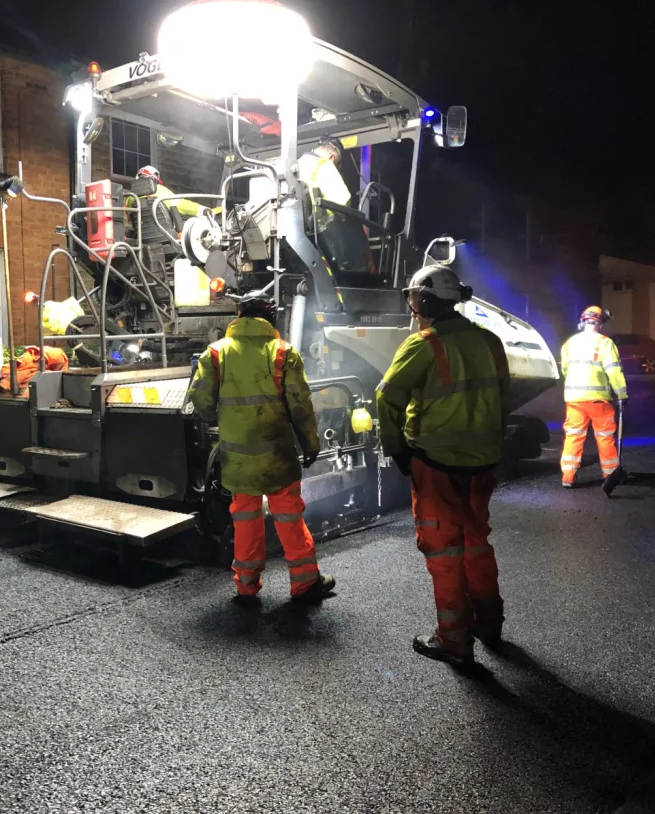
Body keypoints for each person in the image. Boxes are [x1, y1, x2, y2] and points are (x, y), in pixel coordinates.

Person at [376, 266, 510, 667]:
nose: (414, 306)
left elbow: (386, 399)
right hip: (482, 463)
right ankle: (490, 624)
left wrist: (398, 451)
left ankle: (453, 639)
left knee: (444, 551)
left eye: (415, 298)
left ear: (428, 301)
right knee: (477, 542)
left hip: (437, 466)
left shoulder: (423, 345)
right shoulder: (489, 341)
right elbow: (504, 396)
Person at [188, 290, 335, 603]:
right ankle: (305, 583)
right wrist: (310, 443)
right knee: (289, 518)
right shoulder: (284, 353)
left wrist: (221, 418)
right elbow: (301, 406)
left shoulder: (215, 353)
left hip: (237, 459)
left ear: (239, 316)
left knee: (244, 519)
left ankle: (246, 584)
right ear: (271, 317)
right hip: (278, 456)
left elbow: (200, 400)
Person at [559, 306, 628, 488]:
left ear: (583, 322)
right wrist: (622, 393)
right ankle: (610, 473)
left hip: (574, 399)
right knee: (604, 437)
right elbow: (614, 371)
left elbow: (565, 369)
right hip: (598, 400)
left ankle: (568, 476)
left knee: (573, 436)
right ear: (600, 323)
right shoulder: (605, 343)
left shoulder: (569, 343)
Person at [297, 137, 372, 274]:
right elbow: (342, 201)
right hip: (323, 233)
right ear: (332, 156)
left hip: (299, 231)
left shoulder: (296, 164)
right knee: (356, 232)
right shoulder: (324, 165)